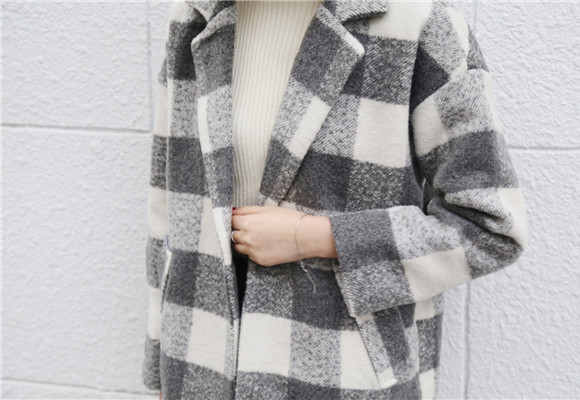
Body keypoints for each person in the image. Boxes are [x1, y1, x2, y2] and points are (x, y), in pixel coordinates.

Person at [143, 0, 529, 399]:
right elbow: (168, 210)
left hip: (342, 375)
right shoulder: (194, 15)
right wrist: (160, 372)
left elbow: (490, 228)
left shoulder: (420, 24)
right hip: (199, 367)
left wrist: (316, 237)